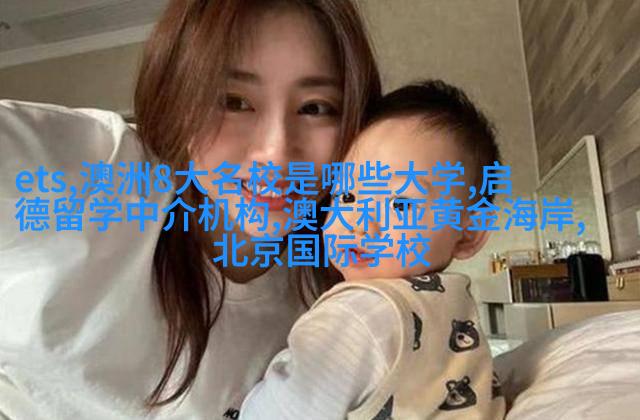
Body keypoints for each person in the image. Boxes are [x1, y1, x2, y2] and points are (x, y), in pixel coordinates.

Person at [0, 0, 381, 418]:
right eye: (234, 102)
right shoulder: (97, 171)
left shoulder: (340, 289)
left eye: (315, 108)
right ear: (179, 102)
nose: (275, 154)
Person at [240, 80, 507, 419]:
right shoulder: (453, 304)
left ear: (468, 233)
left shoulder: (356, 315)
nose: (360, 222)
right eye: (347, 196)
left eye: (400, 203)